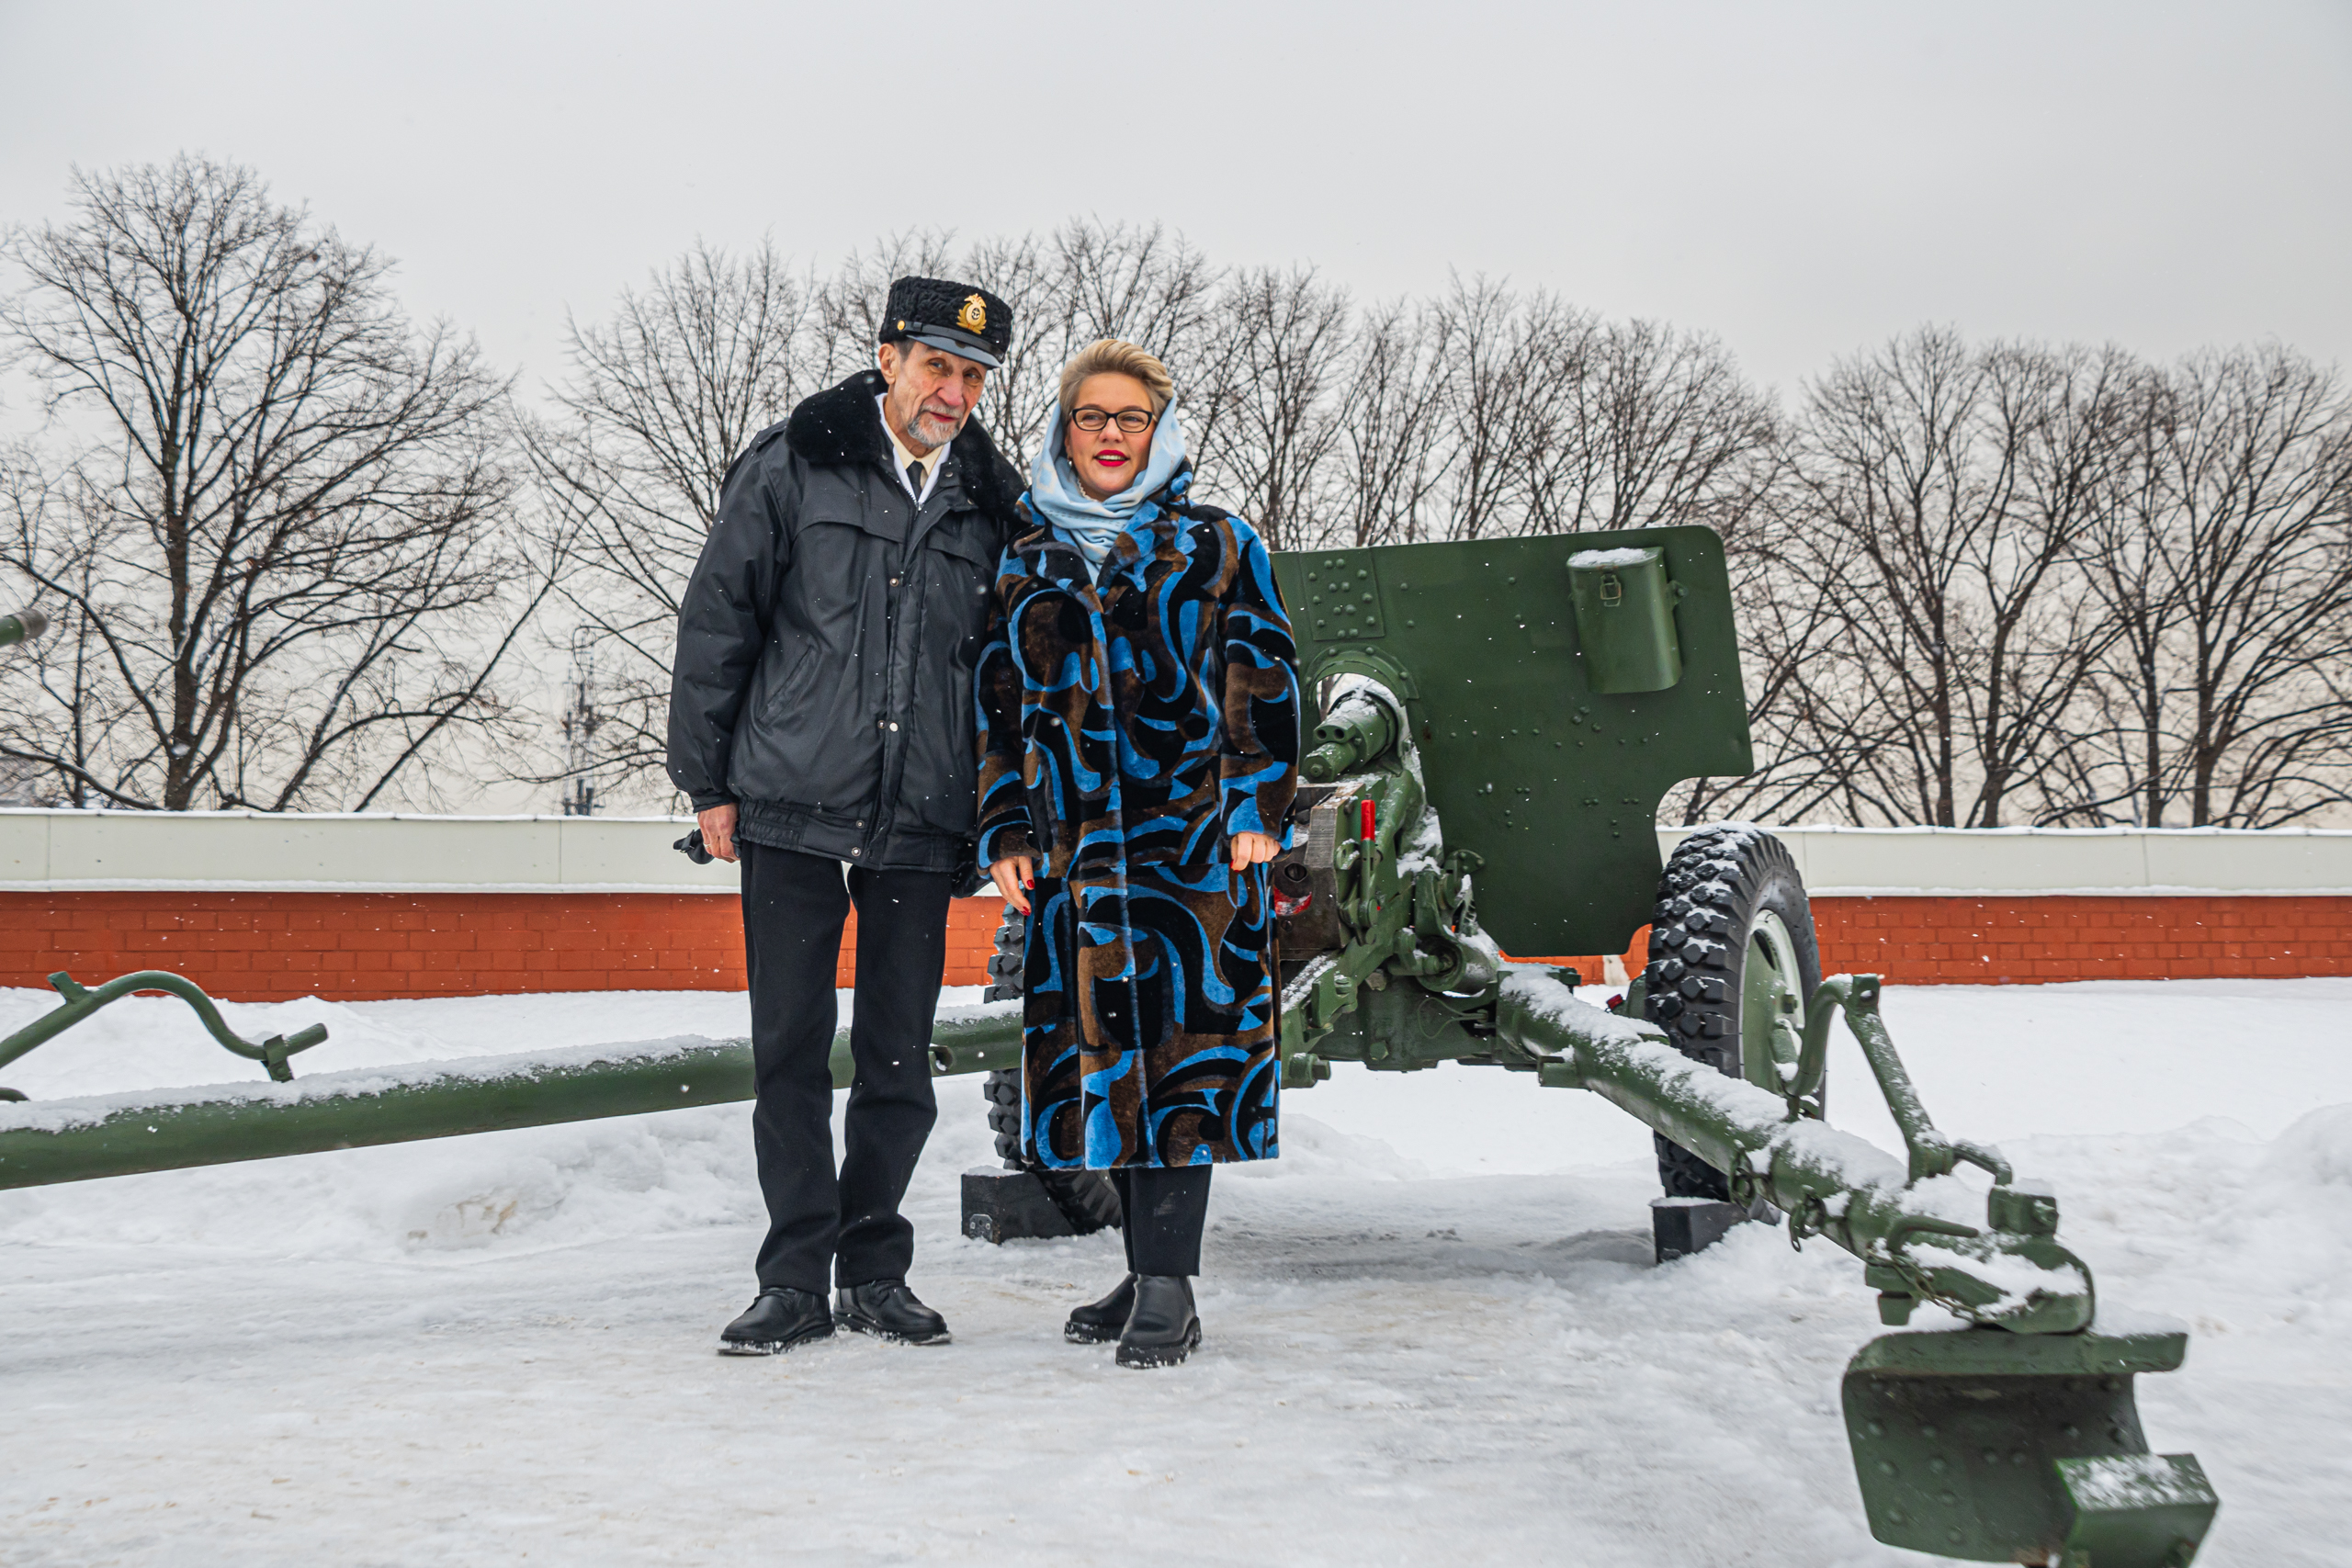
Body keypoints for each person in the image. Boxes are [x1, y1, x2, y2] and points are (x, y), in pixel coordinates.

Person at [668, 276, 1023, 1356]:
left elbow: (1006, 673)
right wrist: (709, 784)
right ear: (887, 359)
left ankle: (875, 1270)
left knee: (896, 1057)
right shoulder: (792, 463)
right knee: (787, 1049)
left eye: (971, 375)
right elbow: (720, 618)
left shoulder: (992, 503)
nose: (952, 392)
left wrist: (999, 810)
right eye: (935, 367)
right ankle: (791, 1279)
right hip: (786, 801)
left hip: (921, 815)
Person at [975, 339, 1300, 1369]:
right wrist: (1007, 829)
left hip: (1191, 845)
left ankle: (1172, 1285)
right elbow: (995, 704)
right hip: (1076, 858)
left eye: (1131, 420)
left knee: (1183, 1062)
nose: (1111, 437)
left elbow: (1265, 671)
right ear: (1062, 430)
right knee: (1100, 1059)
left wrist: (1255, 800)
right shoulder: (1024, 556)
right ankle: (1141, 1265)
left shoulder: (1216, 541)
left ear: (1157, 432)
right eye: (1091, 418)